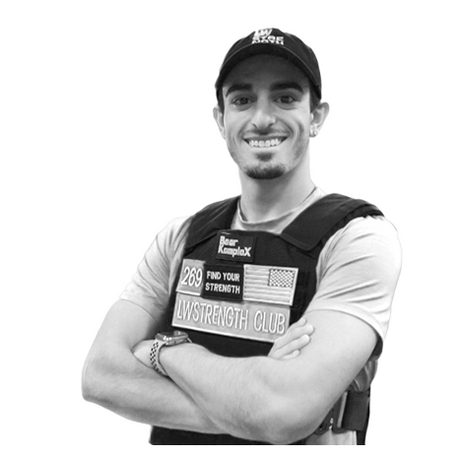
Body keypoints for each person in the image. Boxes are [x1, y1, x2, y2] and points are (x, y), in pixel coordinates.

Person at [82, 28, 402, 445]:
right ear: (221, 119)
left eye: (285, 98)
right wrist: (252, 407)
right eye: (242, 100)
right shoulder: (181, 237)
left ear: (316, 116)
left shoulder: (356, 239)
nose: (262, 118)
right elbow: (100, 375)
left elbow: (282, 408)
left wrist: (166, 351)